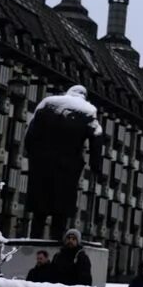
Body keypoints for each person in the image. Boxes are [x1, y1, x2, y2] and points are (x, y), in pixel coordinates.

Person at [22, 84, 103, 240]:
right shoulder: (87, 111)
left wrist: (31, 153)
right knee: (61, 208)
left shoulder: (47, 104)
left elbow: (30, 132)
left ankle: (34, 239)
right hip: (68, 168)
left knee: (40, 208)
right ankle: (56, 240)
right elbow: (97, 137)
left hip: (41, 164)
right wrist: (95, 165)